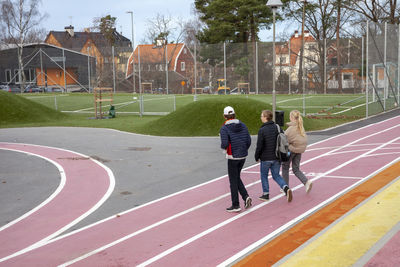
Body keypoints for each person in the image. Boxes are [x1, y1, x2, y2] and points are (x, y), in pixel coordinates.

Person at [255, 110, 293, 202]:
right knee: (276, 175)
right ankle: (286, 188)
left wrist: (257, 156)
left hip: (265, 158)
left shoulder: (262, 130)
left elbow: (259, 145)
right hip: (277, 156)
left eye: (261, 116)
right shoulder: (277, 127)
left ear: (265, 117)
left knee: (264, 175)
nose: (261, 117)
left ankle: (266, 194)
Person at [220, 106, 252, 212]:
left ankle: (236, 205)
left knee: (233, 180)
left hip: (232, 156)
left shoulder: (224, 128)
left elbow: (224, 143)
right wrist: (243, 149)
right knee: (236, 177)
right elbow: (248, 140)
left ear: (224, 116)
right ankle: (245, 196)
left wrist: (224, 149)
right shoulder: (243, 125)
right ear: (234, 114)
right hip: (243, 155)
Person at [282, 110, 312, 193]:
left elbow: (284, 140)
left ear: (291, 118)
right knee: (296, 169)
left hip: (292, 150)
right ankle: (306, 182)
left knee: (285, 167)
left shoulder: (290, 129)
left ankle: (286, 188)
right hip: (299, 150)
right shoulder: (300, 127)